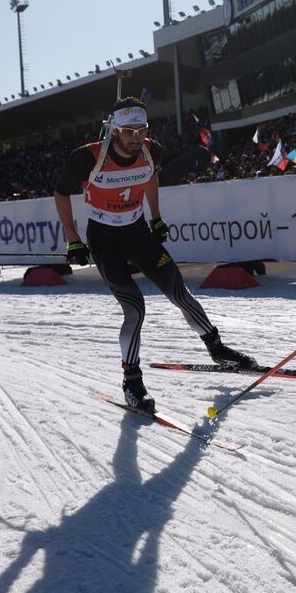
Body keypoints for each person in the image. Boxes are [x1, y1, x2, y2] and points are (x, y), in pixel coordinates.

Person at [53, 97, 258, 413]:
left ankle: (218, 350)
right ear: (113, 131)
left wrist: (156, 216)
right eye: (128, 132)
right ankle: (132, 381)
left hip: (137, 233)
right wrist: (73, 239)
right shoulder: (87, 157)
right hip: (104, 239)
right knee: (135, 307)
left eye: (141, 131)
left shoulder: (151, 150)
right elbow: (61, 192)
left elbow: (150, 176)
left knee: (179, 291)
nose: (136, 139)